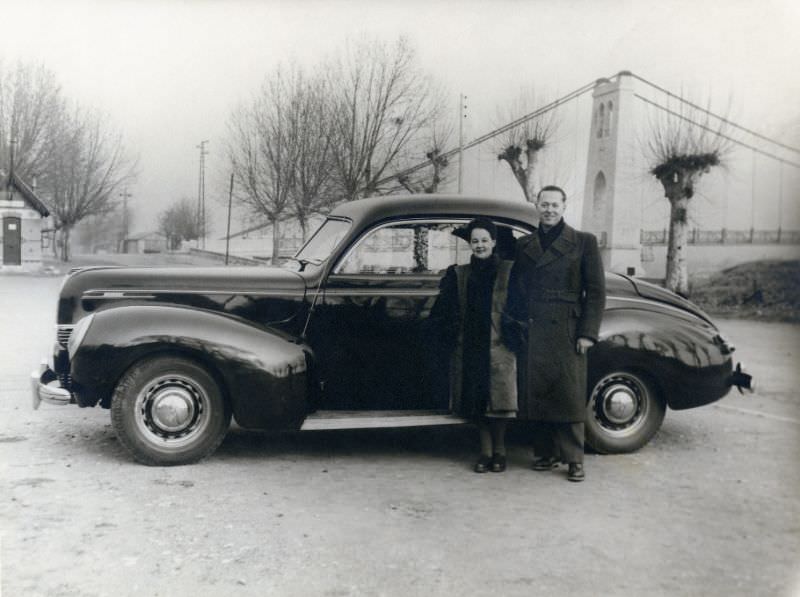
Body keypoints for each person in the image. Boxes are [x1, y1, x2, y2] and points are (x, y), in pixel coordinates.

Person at [503, 186, 605, 482]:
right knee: (539, 394)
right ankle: (545, 454)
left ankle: (574, 459)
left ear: (564, 206)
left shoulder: (584, 242)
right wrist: (514, 324)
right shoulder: (525, 245)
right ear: (537, 205)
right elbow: (515, 290)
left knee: (569, 394)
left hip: (568, 330)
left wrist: (587, 332)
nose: (549, 209)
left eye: (554, 205)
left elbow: (596, 292)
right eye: (544, 204)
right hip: (533, 327)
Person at [428, 218, 518, 473]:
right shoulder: (460, 274)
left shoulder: (509, 272)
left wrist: (511, 334)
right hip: (471, 344)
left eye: (484, 241)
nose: (480, 246)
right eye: (475, 241)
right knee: (478, 403)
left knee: (499, 403)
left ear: (494, 242)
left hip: (499, 344)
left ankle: (500, 452)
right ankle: (485, 452)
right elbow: (447, 311)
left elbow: (518, 307)